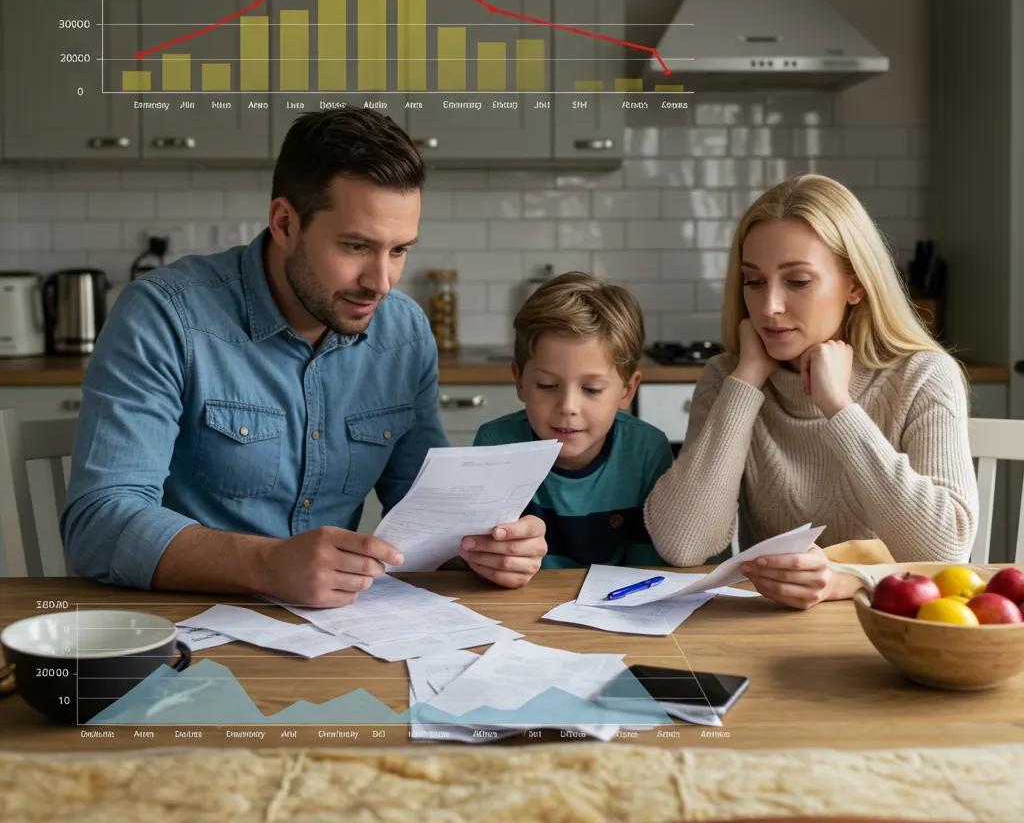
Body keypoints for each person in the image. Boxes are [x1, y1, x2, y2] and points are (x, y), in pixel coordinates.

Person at [60, 109, 546, 605]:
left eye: (399, 250)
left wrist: (486, 547)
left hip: (344, 634)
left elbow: (424, 511)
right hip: (185, 629)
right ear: (285, 223)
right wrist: (268, 565)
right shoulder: (165, 315)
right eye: (356, 245)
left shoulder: (404, 332)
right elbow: (97, 522)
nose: (381, 281)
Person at [644, 174, 978, 609]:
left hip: (891, 626)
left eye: (797, 281)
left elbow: (945, 551)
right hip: (769, 629)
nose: (769, 308)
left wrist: (838, 407)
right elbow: (682, 544)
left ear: (855, 285)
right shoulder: (729, 378)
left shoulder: (924, 376)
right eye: (754, 281)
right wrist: (746, 381)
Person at [474, 272, 673, 568]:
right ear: (520, 381)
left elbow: (649, 571)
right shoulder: (496, 446)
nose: (568, 407)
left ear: (627, 390)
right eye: (547, 385)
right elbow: (476, 557)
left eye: (591, 389)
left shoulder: (646, 451)